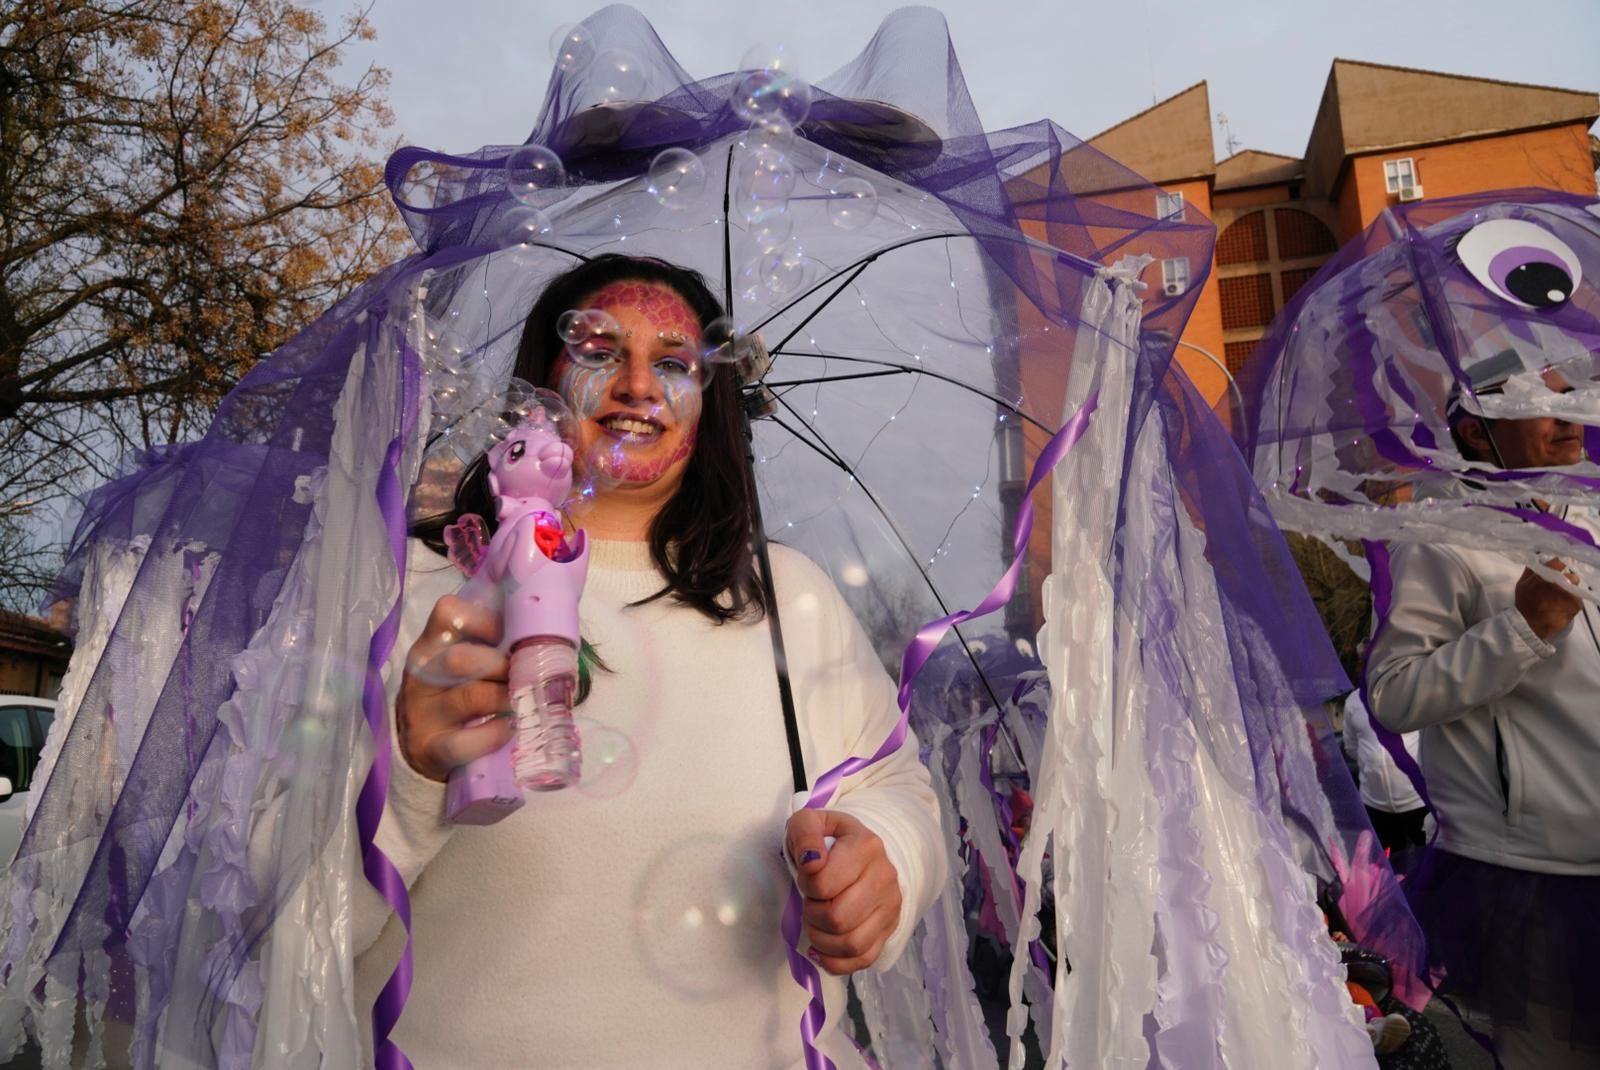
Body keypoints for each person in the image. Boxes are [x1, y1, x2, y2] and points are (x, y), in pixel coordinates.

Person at [351, 255, 945, 1069]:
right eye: (599, 352)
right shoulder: (415, 592)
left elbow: (894, 783)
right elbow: (273, 915)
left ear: (711, 403)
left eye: (672, 364)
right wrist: (411, 776)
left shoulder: (787, 597)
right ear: (540, 385)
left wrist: (886, 856)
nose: (636, 386)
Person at [1365, 361, 1600, 1068]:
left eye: (1571, 396)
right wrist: (1522, 629)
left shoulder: (1590, 513)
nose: (1568, 416)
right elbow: (1394, 694)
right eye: (1538, 402)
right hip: (1529, 875)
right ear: (1475, 431)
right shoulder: (1440, 537)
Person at [1340, 685, 1427, 862]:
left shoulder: (1410, 689)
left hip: (1419, 800)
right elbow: (1351, 748)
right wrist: (1374, 764)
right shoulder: (1353, 701)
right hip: (1376, 805)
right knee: (1391, 863)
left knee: (1429, 858)